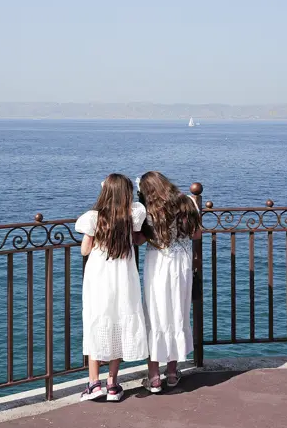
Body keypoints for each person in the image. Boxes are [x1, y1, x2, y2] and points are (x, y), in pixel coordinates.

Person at [75, 173, 148, 402]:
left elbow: (85, 250)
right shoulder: (133, 213)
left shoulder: (94, 218)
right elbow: (137, 238)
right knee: (120, 322)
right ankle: (113, 385)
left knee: (97, 321)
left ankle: (93, 383)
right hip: (124, 275)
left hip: (99, 276)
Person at [136, 171, 201, 393]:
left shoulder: (149, 211)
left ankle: (154, 377)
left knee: (155, 315)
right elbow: (197, 235)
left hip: (158, 264)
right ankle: (172, 373)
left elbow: (140, 239)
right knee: (177, 313)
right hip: (181, 265)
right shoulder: (188, 202)